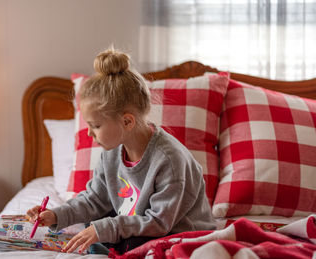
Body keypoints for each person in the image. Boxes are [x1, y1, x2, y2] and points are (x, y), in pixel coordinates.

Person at [26, 47, 215, 255]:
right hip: (139, 227)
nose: (89, 133)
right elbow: (95, 199)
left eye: (95, 126)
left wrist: (104, 229)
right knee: (93, 222)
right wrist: (55, 215)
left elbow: (159, 223)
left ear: (127, 121)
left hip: (175, 233)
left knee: (109, 233)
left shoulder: (169, 160)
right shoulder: (112, 152)